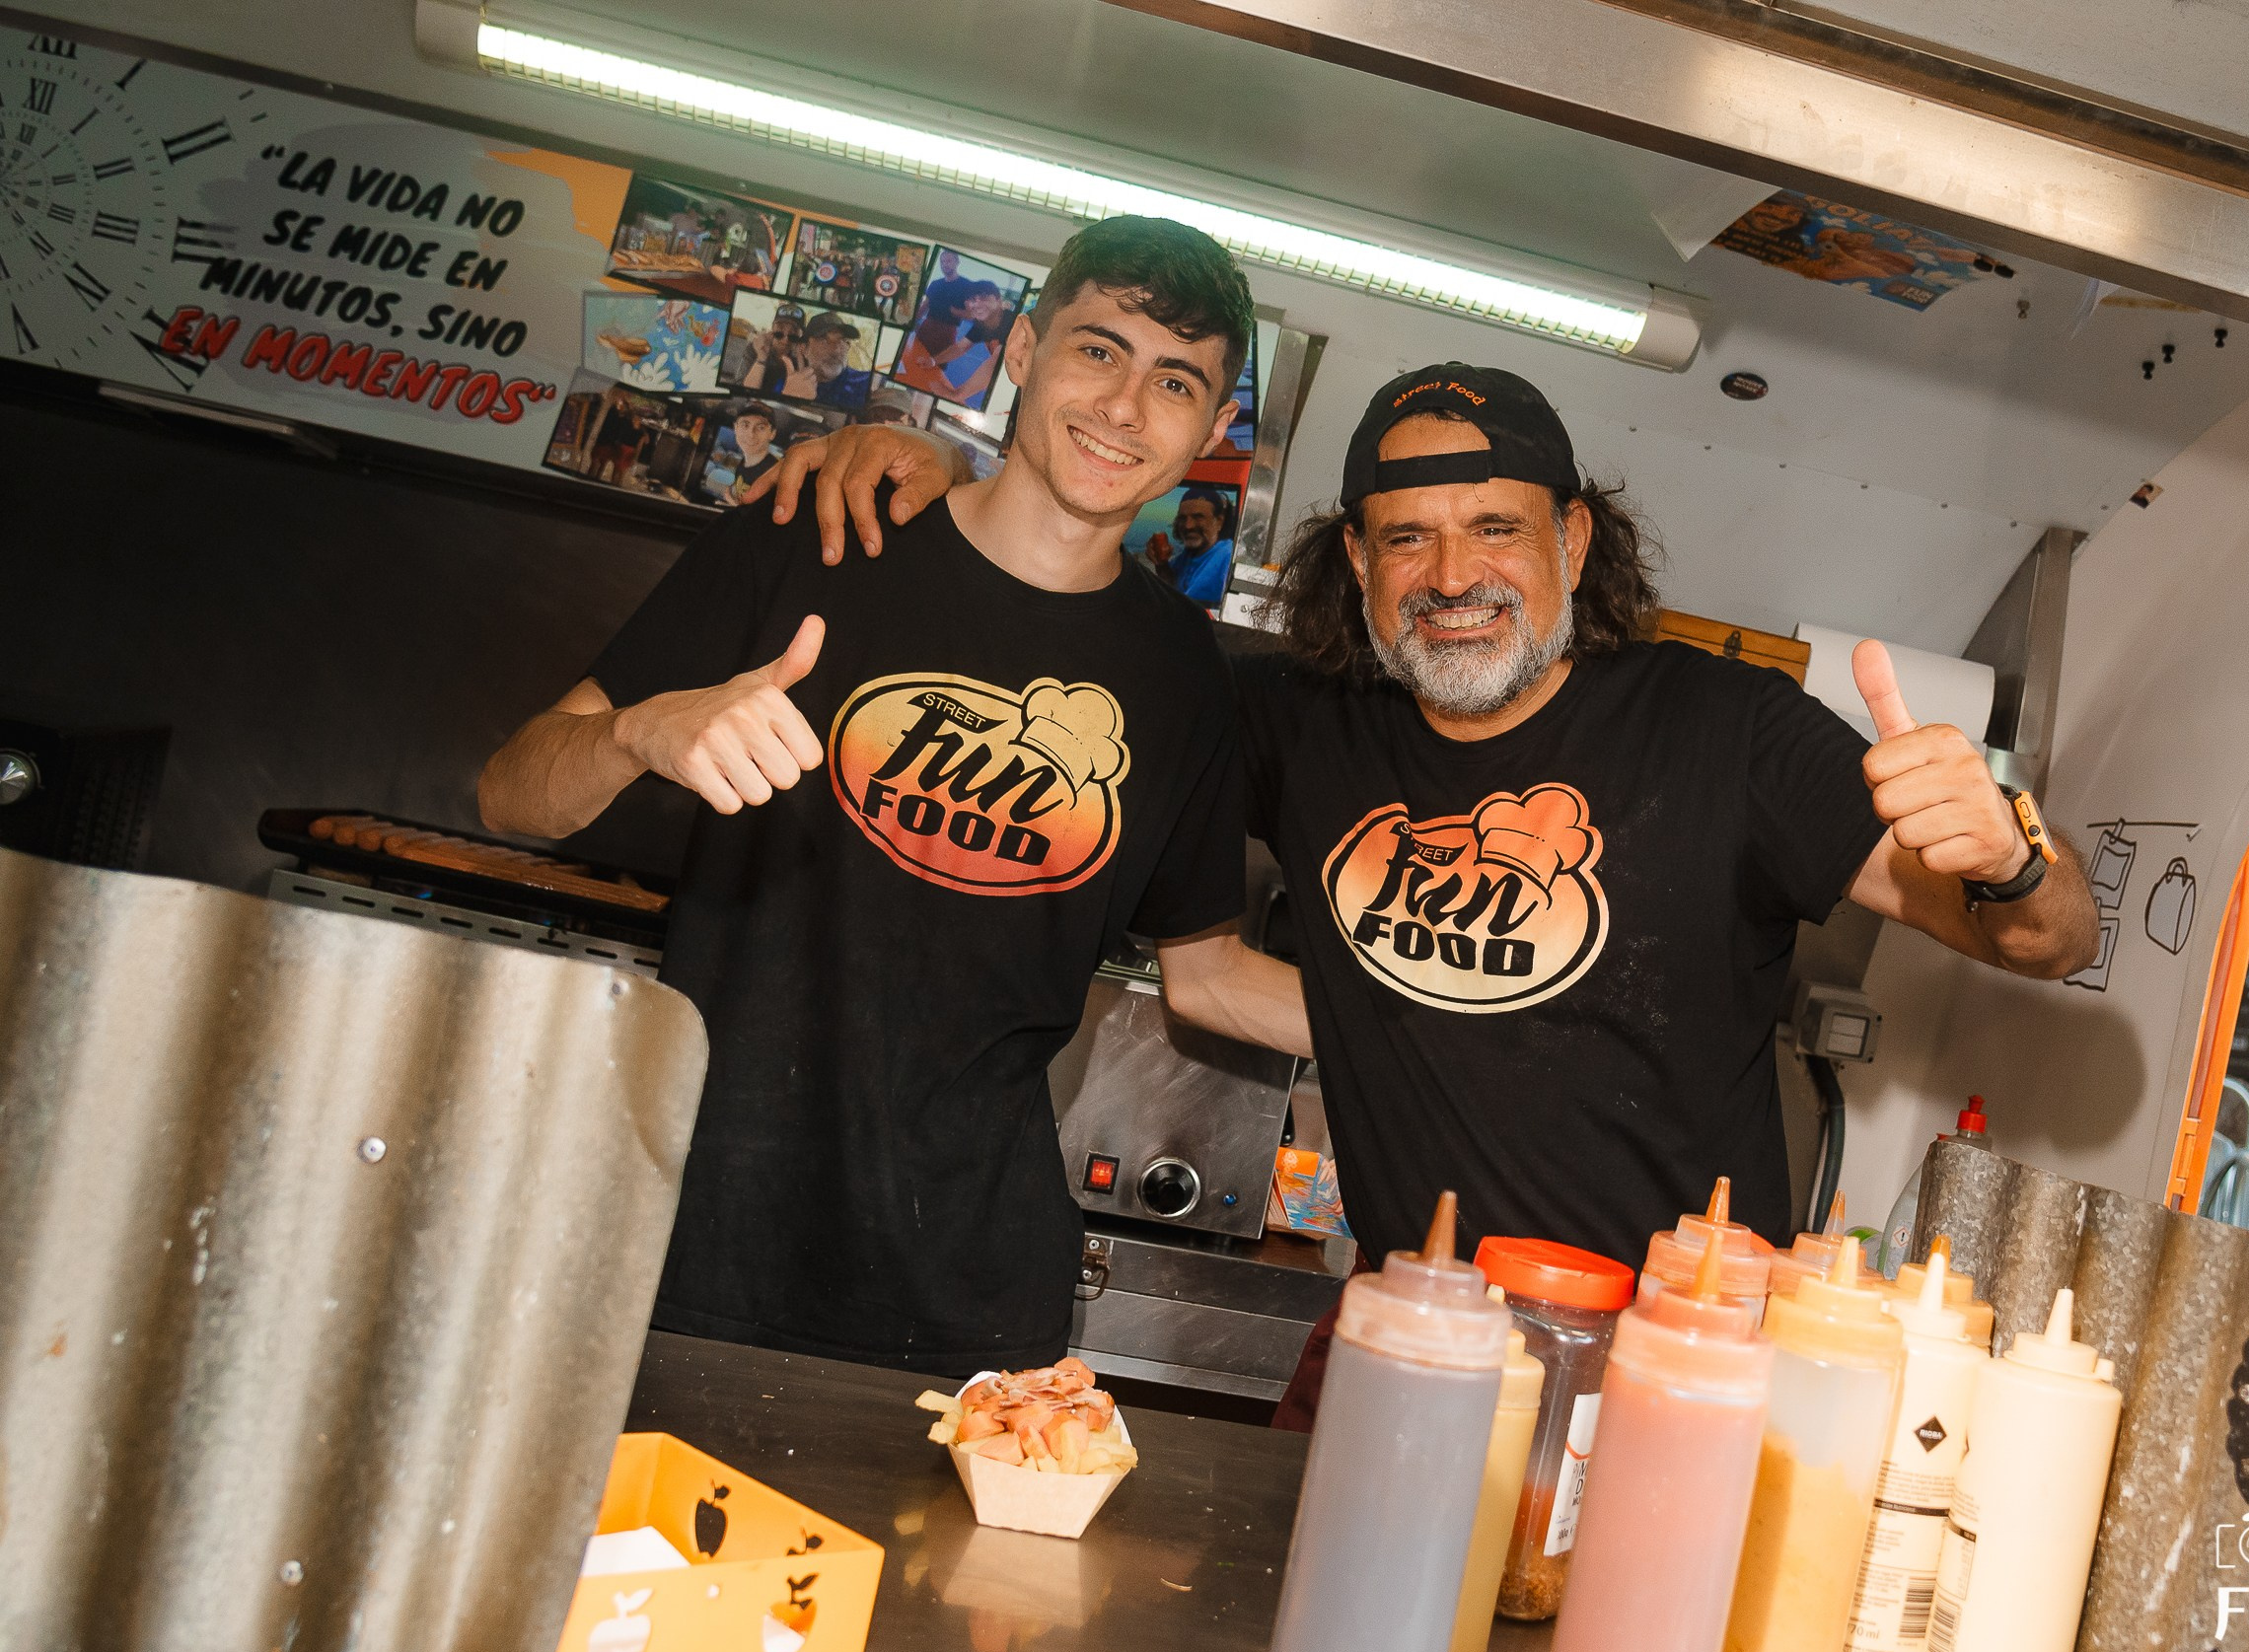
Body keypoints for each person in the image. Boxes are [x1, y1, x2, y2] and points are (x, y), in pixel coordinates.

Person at [749, 363, 2102, 1418]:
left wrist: (2012, 859)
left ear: (1575, 536)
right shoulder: (1299, 725)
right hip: (1407, 1329)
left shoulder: (1726, 735)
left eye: (1495, 527)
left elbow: (2044, 942)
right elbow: (1069, 623)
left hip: (1673, 1363)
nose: (1453, 577)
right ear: (1357, 562)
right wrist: (943, 471)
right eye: (1407, 538)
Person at [477, 216, 1303, 1375]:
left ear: (1215, 431)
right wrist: (637, 731)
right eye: (1095, 350)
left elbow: (1206, 969)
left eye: (1174, 380)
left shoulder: (1186, 678)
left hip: (967, 1297)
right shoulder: (814, 536)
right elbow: (511, 793)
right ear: (1019, 352)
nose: (1123, 408)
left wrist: (1438, 1045)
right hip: (694, 1245)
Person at [1139, 484, 1235, 605]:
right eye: (1183, 518)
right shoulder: (1188, 555)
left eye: (1198, 517)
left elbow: (1185, 606)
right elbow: (1173, 585)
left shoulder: (1225, 554)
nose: (1188, 525)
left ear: (1219, 522)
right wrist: (1162, 564)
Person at [801, 311, 873, 411]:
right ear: (804, 349)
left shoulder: (866, 382)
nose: (835, 350)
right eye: (824, 341)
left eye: (842, 341)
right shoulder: (789, 382)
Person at [713, 402, 783, 504]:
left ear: (772, 433)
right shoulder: (742, 464)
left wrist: (733, 504)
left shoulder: (774, 473)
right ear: (735, 428)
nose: (751, 434)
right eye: (745, 425)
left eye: (760, 427)